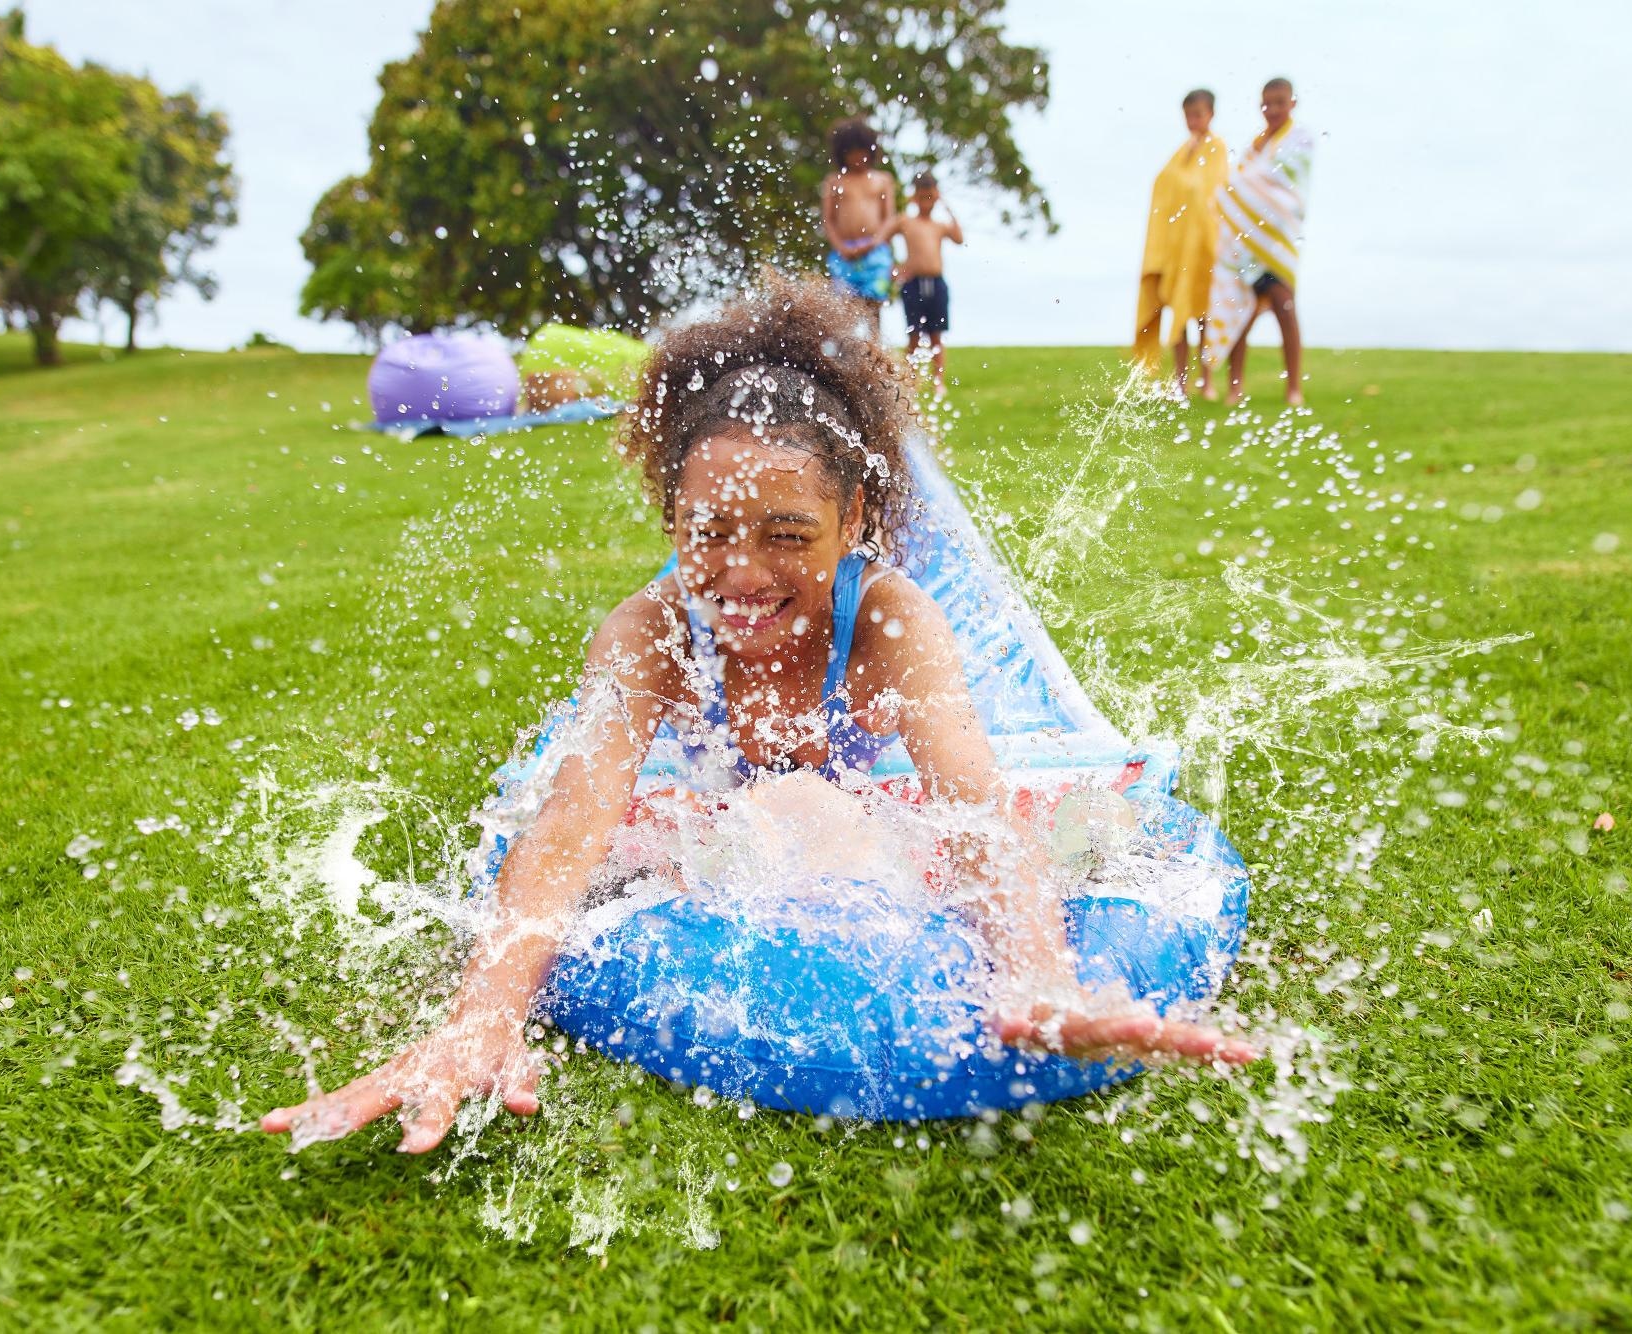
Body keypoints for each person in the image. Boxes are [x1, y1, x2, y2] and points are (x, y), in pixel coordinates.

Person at [261, 274, 1257, 1154]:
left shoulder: (888, 621)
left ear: (856, 519)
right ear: (669, 517)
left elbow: (972, 799)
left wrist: (1040, 971)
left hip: (862, 760)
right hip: (697, 783)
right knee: (656, 801)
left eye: (787, 535)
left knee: (1039, 828)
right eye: (708, 532)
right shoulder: (649, 632)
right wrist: (482, 1012)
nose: (741, 574)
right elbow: (572, 820)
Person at [1203, 78, 1319, 407]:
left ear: (1292, 103)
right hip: (1246, 247)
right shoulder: (1255, 146)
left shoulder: (1300, 139)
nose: (1273, 110)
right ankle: (1234, 388)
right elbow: (1238, 184)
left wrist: (1245, 189)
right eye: (1267, 103)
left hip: (1277, 242)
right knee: (1241, 315)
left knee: (1285, 307)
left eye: (1280, 102)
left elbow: (1285, 187)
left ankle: (1293, 387)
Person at [1131, 90, 1230, 397]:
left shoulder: (1216, 147)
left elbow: (1211, 188)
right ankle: (1181, 381)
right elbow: (1164, 183)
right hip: (1178, 248)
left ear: (1210, 114)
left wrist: (1185, 188)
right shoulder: (1182, 152)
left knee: (1203, 316)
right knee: (1179, 315)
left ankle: (1207, 380)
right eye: (1188, 115)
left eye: (1198, 114)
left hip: (1202, 244)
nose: (1193, 121)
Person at [877, 170, 963, 393]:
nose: (927, 202)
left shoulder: (939, 225)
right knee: (914, 333)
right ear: (915, 197)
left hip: (936, 282)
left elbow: (959, 238)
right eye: (922, 197)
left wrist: (946, 206)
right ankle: (910, 380)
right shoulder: (906, 221)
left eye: (931, 197)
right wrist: (893, 268)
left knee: (936, 334)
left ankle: (939, 381)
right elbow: (883, 236)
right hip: (913, 283)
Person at [820, 117, 898, 312]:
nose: (858, 157)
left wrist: (874, 243)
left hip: (875, 251)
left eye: (862, 151)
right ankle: (847, 344)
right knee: (844, 308)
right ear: (842, 153)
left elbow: (889, 219)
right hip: (844, 253)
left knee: (874, 305)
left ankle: (874, 343)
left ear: (871, 151)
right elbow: (828, 220)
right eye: (852, 152)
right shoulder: (834, 181)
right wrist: (841, 248)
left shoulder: (882, 180)